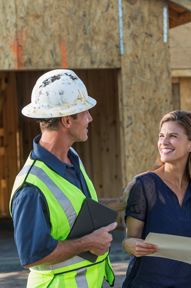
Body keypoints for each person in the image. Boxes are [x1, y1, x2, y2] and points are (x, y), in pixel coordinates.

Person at [9, 69, 117, 288]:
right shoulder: (30, 187)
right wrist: (89, 242)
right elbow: (32, 256)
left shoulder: (72, 157)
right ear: (67, 120)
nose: (90, 118)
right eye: (85, 112)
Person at [122, 110, 191, 288]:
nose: (164, 142)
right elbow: (128, 240)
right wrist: (133, 245)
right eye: (161, 136)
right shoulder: (144, 185)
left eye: (173, 136)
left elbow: (190, 244)